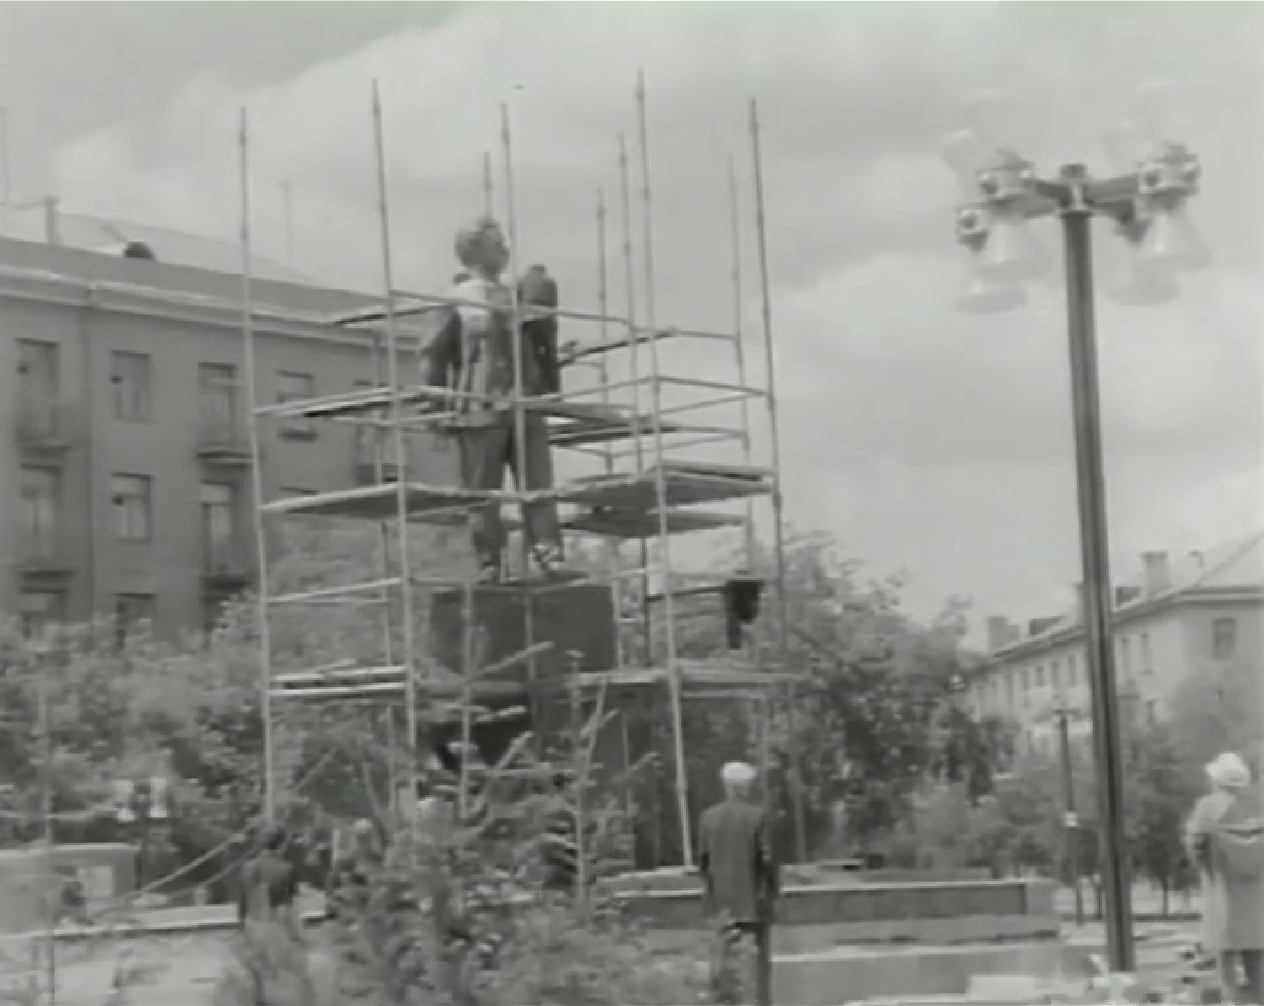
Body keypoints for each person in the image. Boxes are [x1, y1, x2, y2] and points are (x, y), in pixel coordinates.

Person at [419, 218, 567, 584]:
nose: (504, 250)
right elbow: (433, 355)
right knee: (483, 491)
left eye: (503, 243)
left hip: (524, 403)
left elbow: (539, 344)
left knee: (538, 485)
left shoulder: (516, 297)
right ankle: (488, 560)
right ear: (472, 250)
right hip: (480, 404)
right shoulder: (456, 299)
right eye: (495, 243)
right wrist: (435, 404)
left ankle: (548, 552)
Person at [1184, 751, 1264, 1004]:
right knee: (1257, 955)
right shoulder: (1259, 805)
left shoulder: (1207, 808)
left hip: (1222, 889)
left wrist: (1206, 868)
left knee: (1225, 956)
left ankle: (1232, 1001)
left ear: (1217, 780)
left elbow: (1194, 843)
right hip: (1256, 893)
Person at [698, 761, 779, 1006]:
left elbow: (703, 860)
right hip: (752, 901)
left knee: (721, 959)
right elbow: (767, 859)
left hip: (720, 903)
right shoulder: (757, 817)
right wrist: (773, 891)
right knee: (756, 963)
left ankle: (722, 1001)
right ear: (745, 787)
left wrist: (710, 889)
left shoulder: (708, 818)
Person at [239, 825, 300, 931]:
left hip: (252, 926)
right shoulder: (286, 869)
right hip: (274, 927)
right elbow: (288, 907)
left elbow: (243, 905)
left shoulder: (247, 867)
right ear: (282, 845)